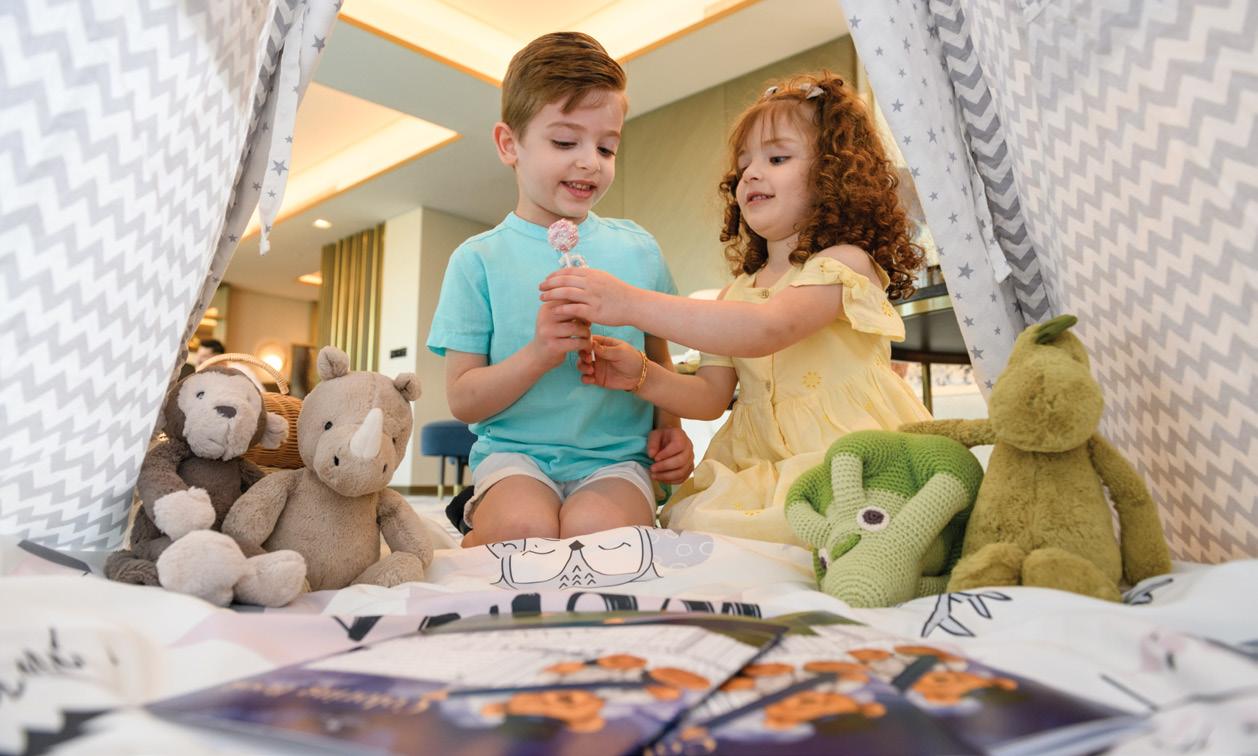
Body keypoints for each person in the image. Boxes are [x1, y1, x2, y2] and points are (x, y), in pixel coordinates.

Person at [539, 72, 933, 546]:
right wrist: (641, 375)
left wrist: (629, 303)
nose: (751, 173)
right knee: (703, 527)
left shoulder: (843, 264)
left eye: (777, 158)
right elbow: (710, 398)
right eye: (744, 164)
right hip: (759, 464)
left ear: (834, 176)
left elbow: (768, 328)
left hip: (845, 452)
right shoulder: (737, 293)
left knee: (850, 518)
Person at [427, 32, 694, 548]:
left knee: (600, 538)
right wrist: (540, 353)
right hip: (515, 459)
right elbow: (464, 400)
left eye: (606, 147)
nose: (590, 161)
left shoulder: (639, 250)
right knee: (523, 530)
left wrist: (672, 429)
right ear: (509, 144)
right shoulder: (477, 260)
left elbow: (659, 360)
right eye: (566, 143)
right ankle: (480, 518)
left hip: (616, 460)